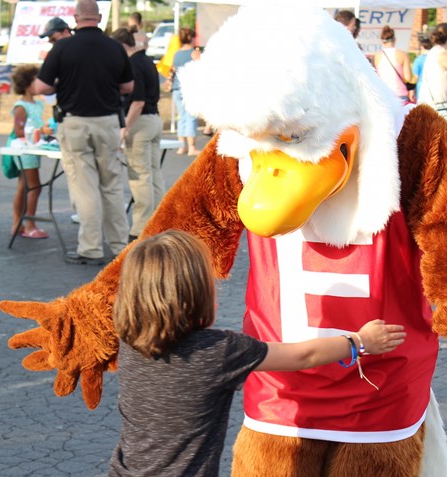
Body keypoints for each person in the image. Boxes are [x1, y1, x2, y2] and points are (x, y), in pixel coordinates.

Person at [108, 230, 406, 477]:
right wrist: (359, 341)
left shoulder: (130, 341)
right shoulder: (217, 352)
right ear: (196, 293)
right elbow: (303, 356)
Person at [34, 0, 133, 265]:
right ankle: (120, 246)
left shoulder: (63, 47)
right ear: (99, 17)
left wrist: (61, 83)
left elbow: (41, 87)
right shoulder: (114, 47)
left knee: (85, 187)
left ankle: (90, 248)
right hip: (108, 121)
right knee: (111, 185)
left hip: (75, 122)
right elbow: (128, 86)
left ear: (75, 18)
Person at [112, 28, 164, 242]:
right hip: (155, 120)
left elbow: (138, 101)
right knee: (153, 173)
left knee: (140, 176)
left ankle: (140, 228)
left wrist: (125, 128)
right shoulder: (147, 61)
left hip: (140, 122)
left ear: (123, 46)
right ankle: (159, 221)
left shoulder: (132, 64)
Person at [9, 64, 50, 239]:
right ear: (27, 84)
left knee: (23, 185)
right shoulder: (22, 106)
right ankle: (29, 224)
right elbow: (19, 130)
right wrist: (40, 131)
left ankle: (18, 222)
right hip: (25, 149)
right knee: (34, 187)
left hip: (31, 148)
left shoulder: (37, 104)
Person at [170, 27, 201, 155]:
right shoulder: (194, 53)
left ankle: (181, 146)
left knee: (181, 117)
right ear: (192, 38)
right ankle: (191, 147)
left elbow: (172, 70)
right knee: (191, 117)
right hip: (190, 88)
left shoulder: (177, 53)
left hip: (177, 88)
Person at [373, 25, 413, 104]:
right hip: (399, 94)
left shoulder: (377, 56)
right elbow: (408, 77)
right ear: (395, 39)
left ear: (382, 41)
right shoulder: (402, 54)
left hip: (383, 94)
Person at [412, 37, 432, 103]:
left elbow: (415, 77)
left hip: (421, 88)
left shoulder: (418, 60)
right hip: (433, 88)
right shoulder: (435, 58)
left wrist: (412, 90)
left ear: (422, 47)